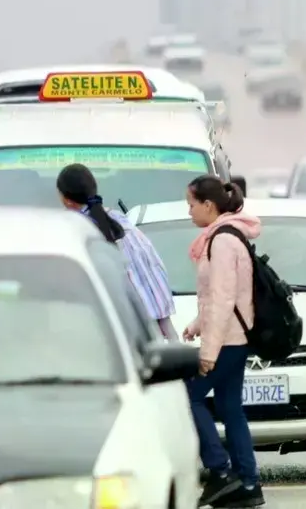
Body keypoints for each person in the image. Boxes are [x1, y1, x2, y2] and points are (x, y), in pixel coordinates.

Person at [180, 175, 264, 508]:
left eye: (191, 204)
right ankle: (248, 482)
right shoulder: (222, 236)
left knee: (190, 396)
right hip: (231, 336)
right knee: (230, 408)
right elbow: (219, 295)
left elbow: (224, 298)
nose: (189, 212)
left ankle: (220, 470)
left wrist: (208, 352)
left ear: (208, 205)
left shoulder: (223, 240)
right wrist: (198, 324)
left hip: (228, 340)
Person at [56, 164, 178, 340]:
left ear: (66, 200)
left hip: (119, 329)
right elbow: (152, 269)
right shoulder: (119, 219)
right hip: (154, 318)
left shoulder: (76, 230)